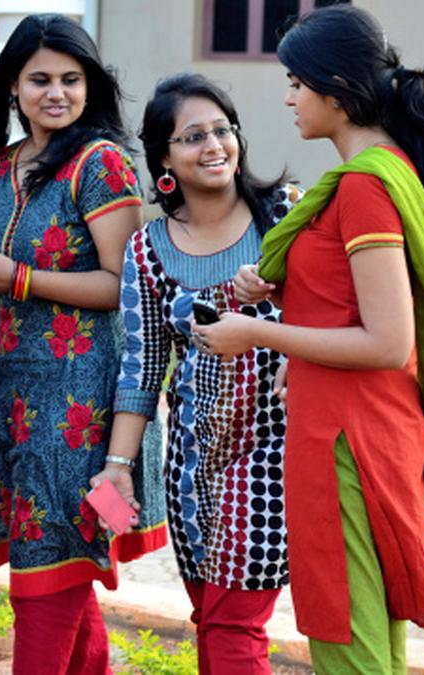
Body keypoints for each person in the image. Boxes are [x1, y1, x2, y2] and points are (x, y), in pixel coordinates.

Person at [195, 5, 424, 673]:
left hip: (346, 441)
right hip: (359, 426)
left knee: (349, 645)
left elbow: (389, 339)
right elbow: (352, 299)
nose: (290, 96)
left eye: (297, 82)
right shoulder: (384, 173)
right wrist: (284, 292)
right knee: (368, 638)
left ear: (335, 87)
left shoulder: (362, 188)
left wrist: (259, 334)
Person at [0, 14, 166, 674]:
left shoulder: (102, 164)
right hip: (15, 394)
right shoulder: (4, 166)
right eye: (39, 79)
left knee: (48, 575)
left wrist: (20, 278)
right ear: (13, 85)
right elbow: (10, 273)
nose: (56, 93)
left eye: (71, 78)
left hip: (84, 409)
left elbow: (124, 285)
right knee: (62, 573)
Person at [115, 72, 300, 674]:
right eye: (193, 136)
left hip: (274, 452)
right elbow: (141, 369)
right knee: (212, 622)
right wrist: (118, 469)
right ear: (163, 158)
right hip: (193, 467)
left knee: (233, 624)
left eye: (223, 130)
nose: (215, 145)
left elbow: (347, 314)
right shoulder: (146, 250)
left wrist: (283, 302)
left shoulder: (286, 214)